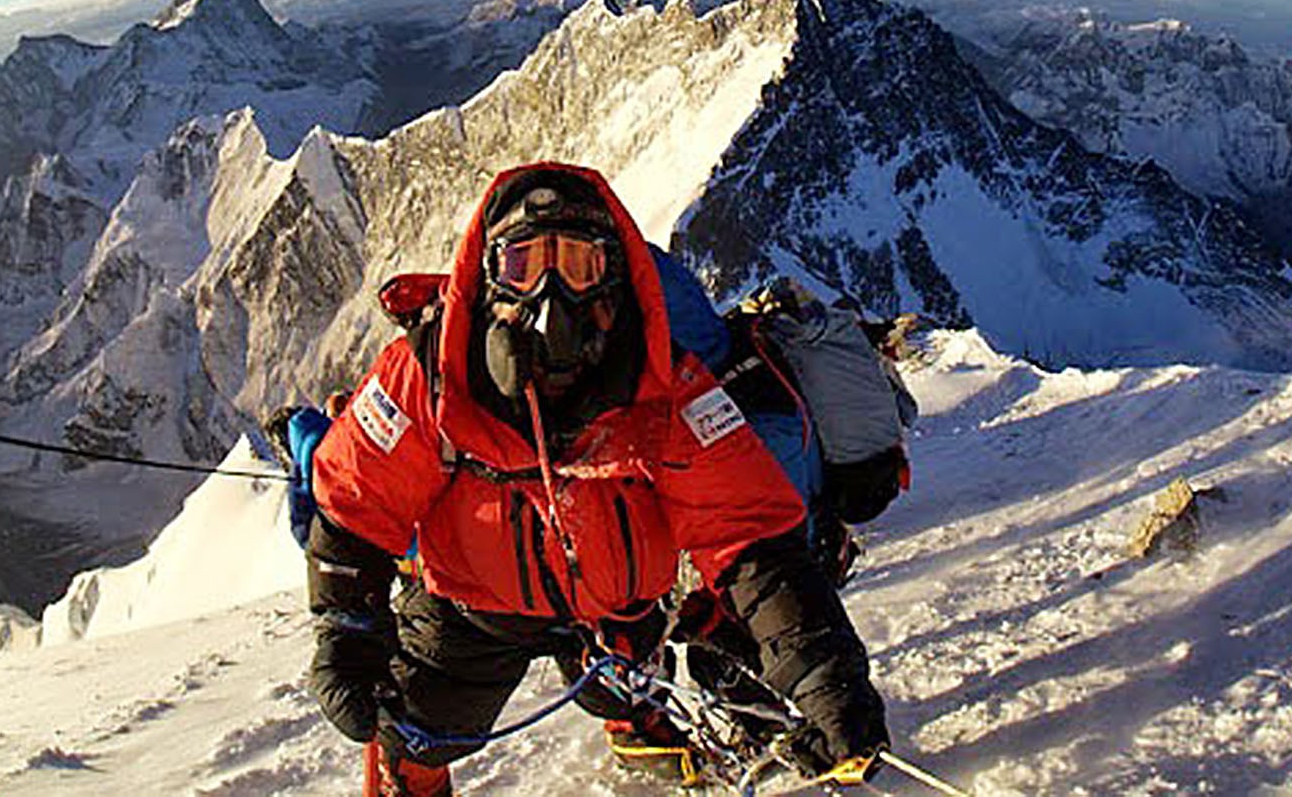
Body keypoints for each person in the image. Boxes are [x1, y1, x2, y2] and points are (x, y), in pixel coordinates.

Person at [304, 162, 889, 795]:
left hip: (617, 608)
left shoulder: (667, 385)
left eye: (579, 266)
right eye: (523, 266)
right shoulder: (433, 373)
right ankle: (410, 773)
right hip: (472, 611)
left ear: (615, 281)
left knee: (622, 676)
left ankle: (632, 719)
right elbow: (356, 502)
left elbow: (747, 537)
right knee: (415, 729)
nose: (551, 294)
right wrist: (348, 628)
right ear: (487, 277)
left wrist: (828, 679)